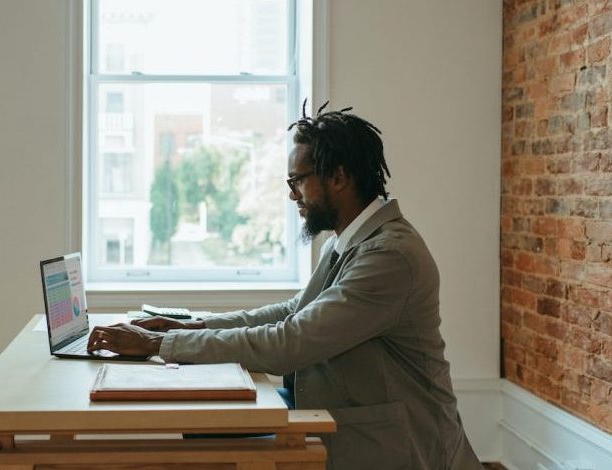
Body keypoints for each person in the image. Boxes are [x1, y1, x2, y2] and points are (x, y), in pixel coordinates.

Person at [87, 102, 482, 470]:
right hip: (347, 417)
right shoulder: (348, 242)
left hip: (402, 447)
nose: (292, 194)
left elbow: (292, 341)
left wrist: (159, 346)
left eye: (297, 181)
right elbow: (293, 312)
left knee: (209, 441)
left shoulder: (390, 257)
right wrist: (192, 327)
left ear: (339, 177)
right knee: (208, 431)